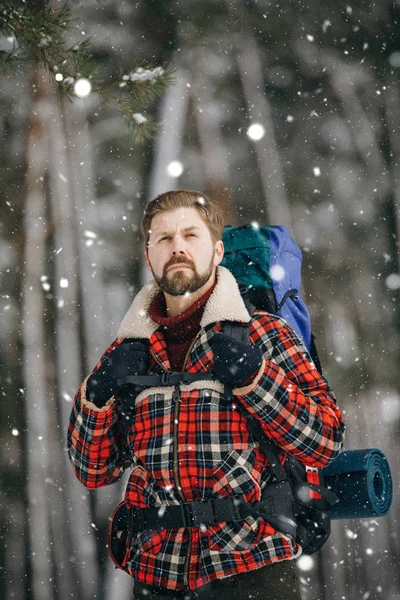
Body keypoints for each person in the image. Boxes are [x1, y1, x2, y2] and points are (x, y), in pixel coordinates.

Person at [68, 189, 345, 600]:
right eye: (163, 238)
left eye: (190, 235)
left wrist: (256, 379)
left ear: (216, 252)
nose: (177, 246)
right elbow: (93, 471)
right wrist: (96, 396)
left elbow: (326, 441)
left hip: (254, 567)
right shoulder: (128, 349)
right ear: (149, 255)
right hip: (156, 572)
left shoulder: (264, 333)